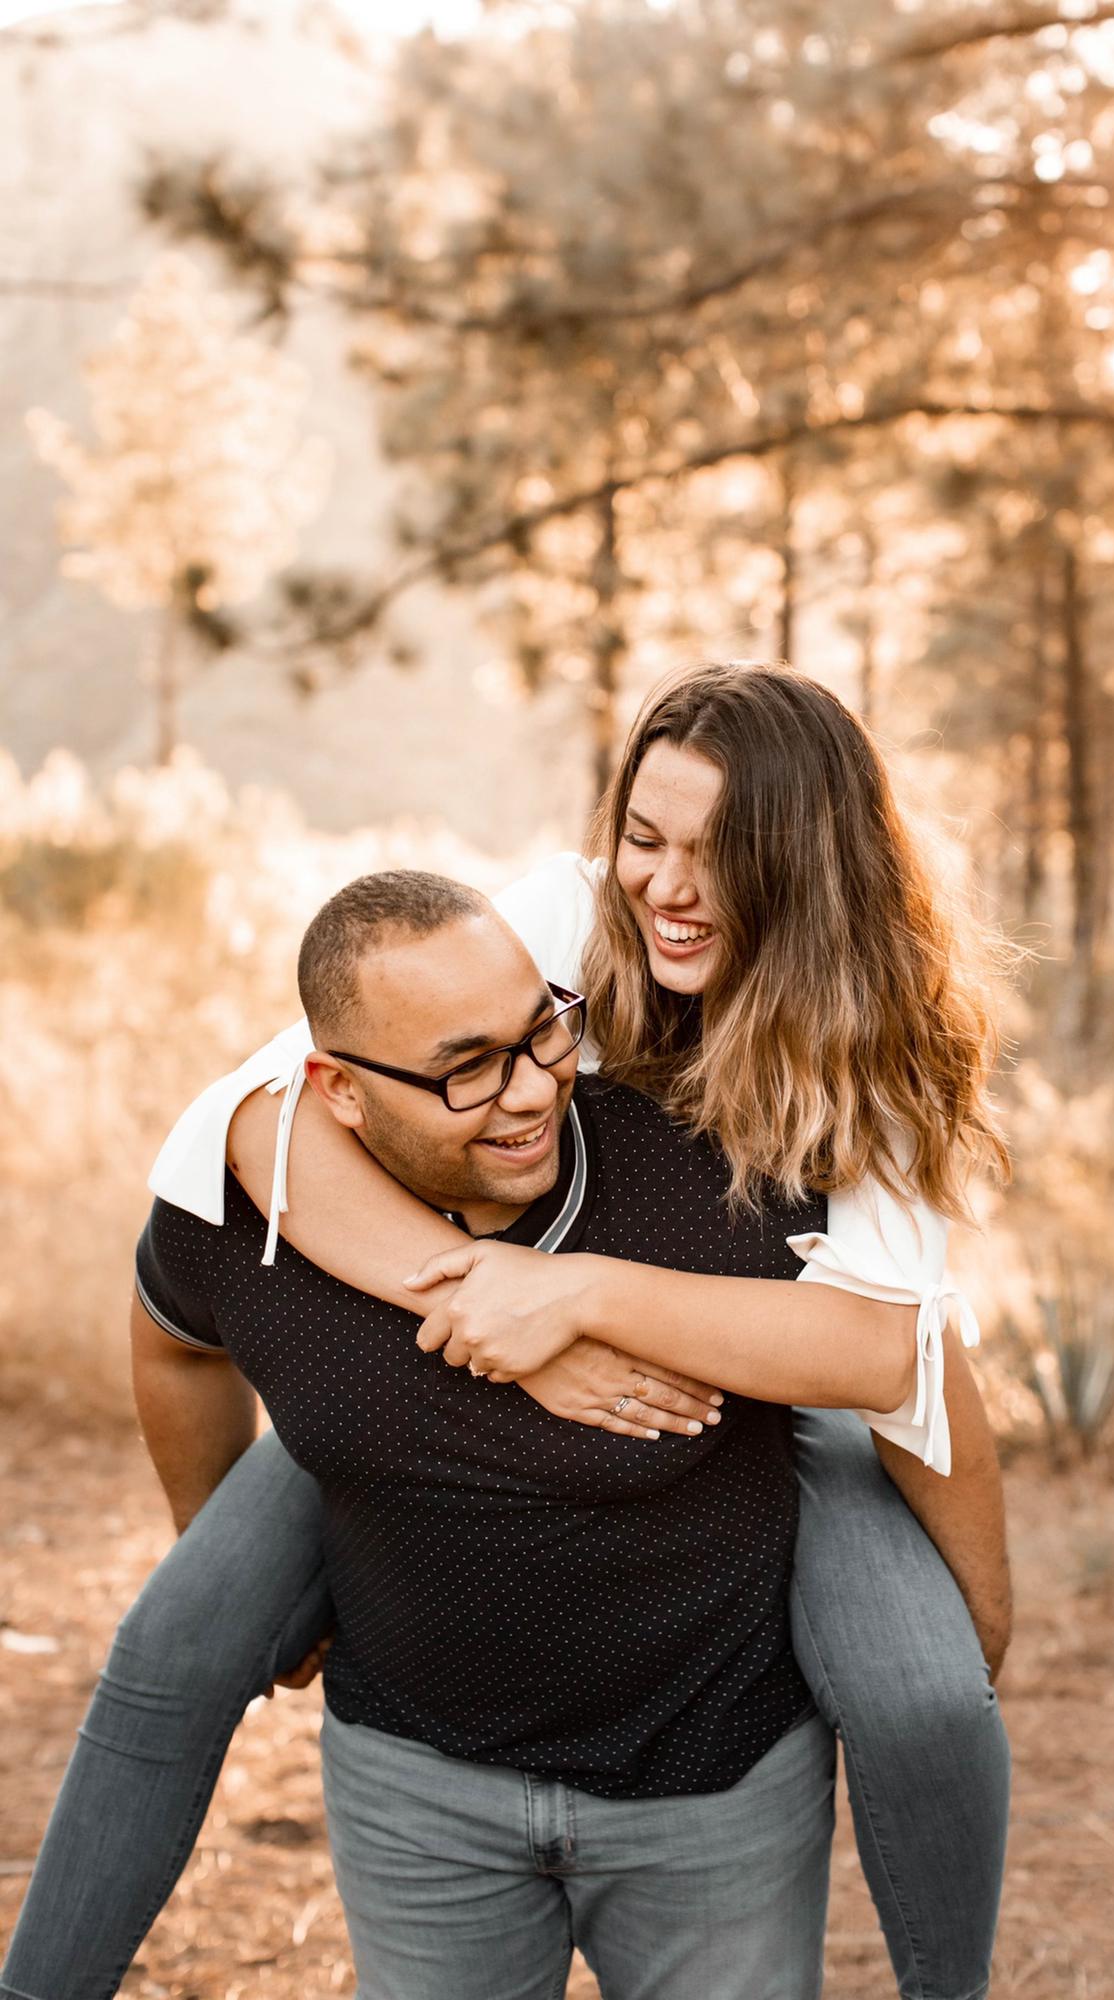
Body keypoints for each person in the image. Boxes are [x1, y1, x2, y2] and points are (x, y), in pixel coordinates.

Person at [2, 663, 1013, 2000]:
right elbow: (257, 1112)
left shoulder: (871, 1041)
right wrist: (469, 1291)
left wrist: (575, 1297)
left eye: (718, 852)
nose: (665, 886)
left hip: (778, 1399)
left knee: (926, 1697)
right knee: (173, 1646)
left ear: (806, 862)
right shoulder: (567, 921)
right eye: (643, 837)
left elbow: (882, 1353)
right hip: (436, 1421)